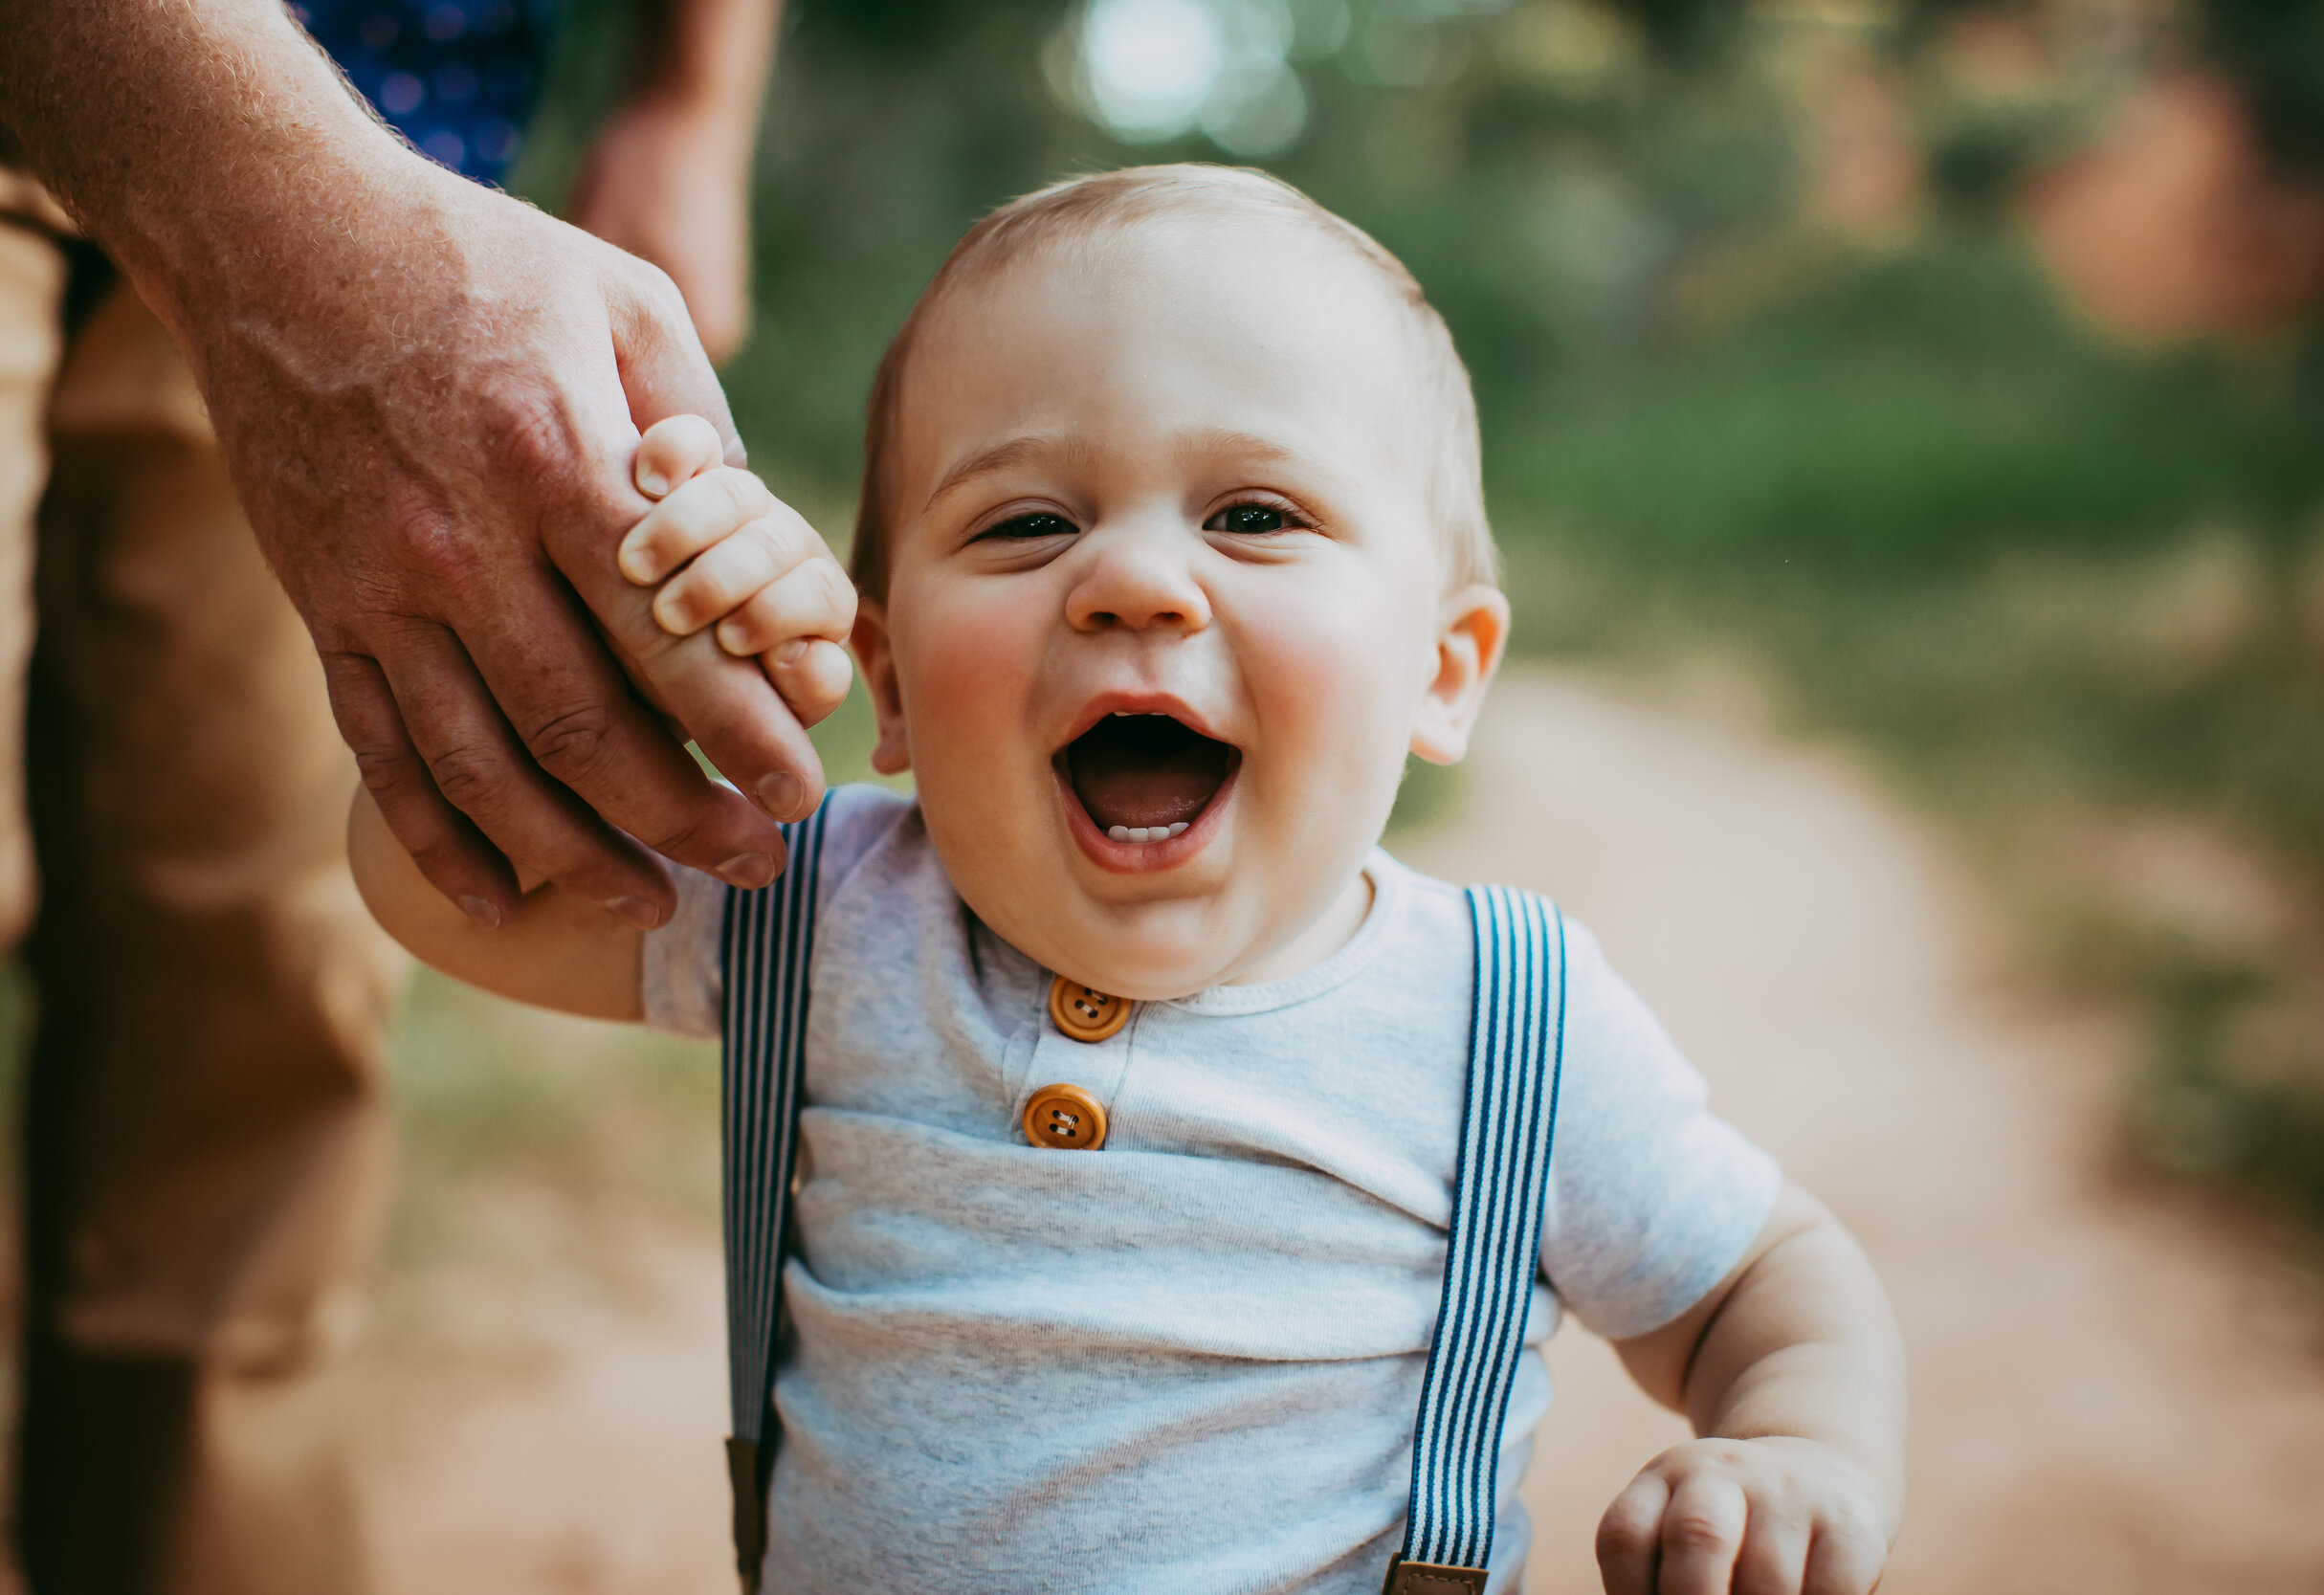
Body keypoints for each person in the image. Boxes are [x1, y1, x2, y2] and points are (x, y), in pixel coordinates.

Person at [351, 165, 1907, 1594]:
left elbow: (1762, 1281)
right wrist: (619, 656)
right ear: (884, 684)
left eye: (1255, 516)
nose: (1136, 582)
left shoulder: (1512, 1025)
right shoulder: (818, 905)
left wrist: (1798, 1448)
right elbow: (446, 882)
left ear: (1441, 673)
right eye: (1029, 524)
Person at [0, 0, 834, 1587]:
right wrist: (269, 202)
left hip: (380, 146)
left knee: (254, 992)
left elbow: (414, 877)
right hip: (291, 186)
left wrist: (688, 93)